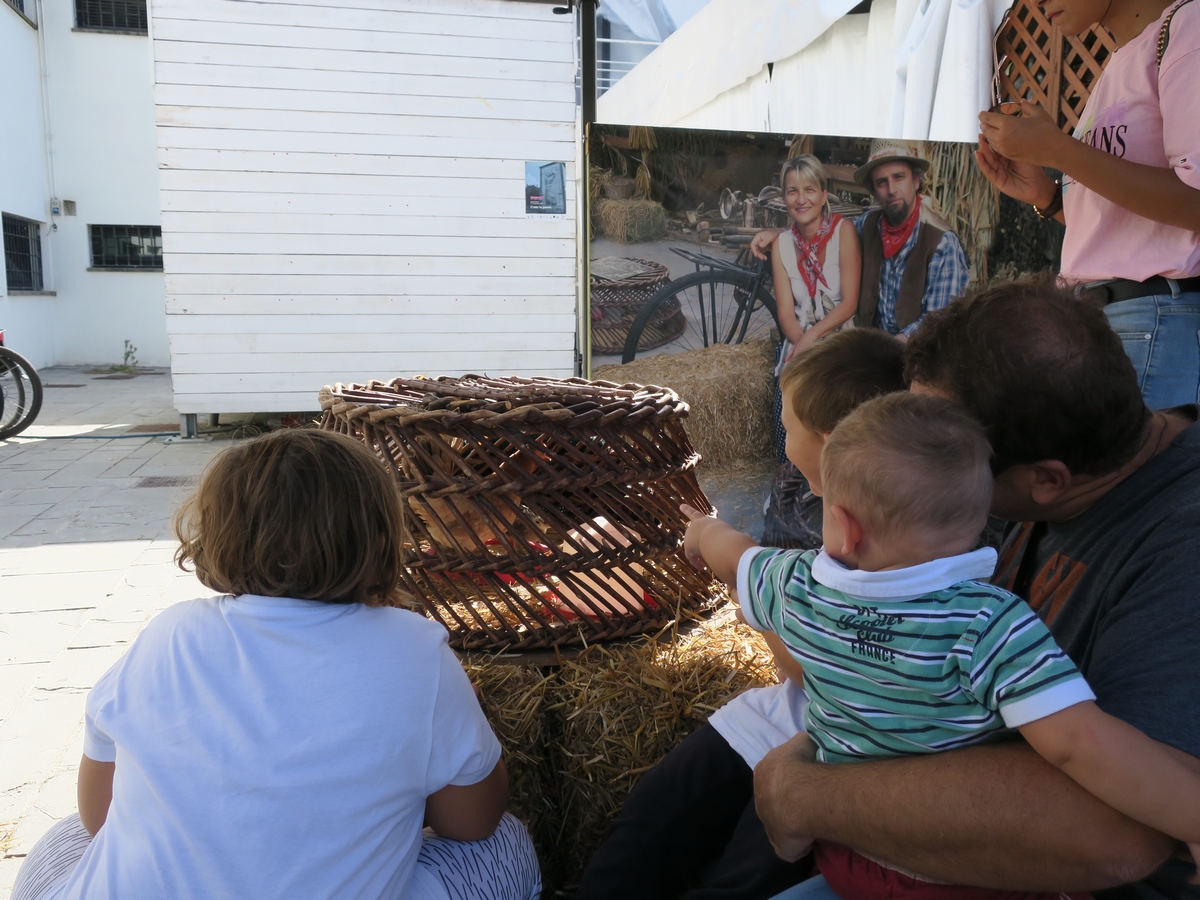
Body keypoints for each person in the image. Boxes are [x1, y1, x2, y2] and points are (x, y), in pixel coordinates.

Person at [755, 275, 1200, 900]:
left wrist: (799, 792)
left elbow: (1113, 838)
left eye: (942, 440)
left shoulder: (1179, 547)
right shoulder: (990, 476)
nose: (920, 451)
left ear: (1046, 479)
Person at [10, 429, 542, 900]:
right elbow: (472, 822)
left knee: (65, 835)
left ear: (217, 535)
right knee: (508, 842)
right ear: (380, 538)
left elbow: (99, 816)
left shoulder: (167, 633)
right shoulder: (416, 649)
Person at [575, 329, 907, 900]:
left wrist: (737, 573)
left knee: (744, 878)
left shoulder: (902, 547)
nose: (783, 436)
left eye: (788, 424)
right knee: (649, 819)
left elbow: (815, 671)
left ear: (828, 441)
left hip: (845, 753)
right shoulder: (798, 493)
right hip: (778, 715)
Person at [977, 0, 1200, 408]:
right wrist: (1044, 196)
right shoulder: (1120, 60)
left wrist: (1061, 151)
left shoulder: (1188, 28)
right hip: (1099, 324)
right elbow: (1131, 228)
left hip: (1153, 317)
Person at [752, 141, 970, 341]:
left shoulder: (941, 242)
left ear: (916, 181)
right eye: (882, 182)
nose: (892, 189)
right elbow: (820, 226)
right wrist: (777, 233)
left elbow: (938, 323)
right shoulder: (868, 225)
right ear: (874, 191)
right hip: (870, 348)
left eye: (899, 177)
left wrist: (890, 350)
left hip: (919, 356)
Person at [768, 154, 862, 465]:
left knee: (837, 405)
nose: (801, 198)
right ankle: (792, 474)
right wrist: (803, 344)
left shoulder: (843, 231)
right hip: (799, 338)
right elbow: (785, 312)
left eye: (809, 189)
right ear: (784, 199)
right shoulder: (780, 244)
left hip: (840, 337)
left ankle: (835, 473)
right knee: (787, 398)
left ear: (823, 196)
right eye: (792, 191)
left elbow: (849, 303)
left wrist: (814, 340)